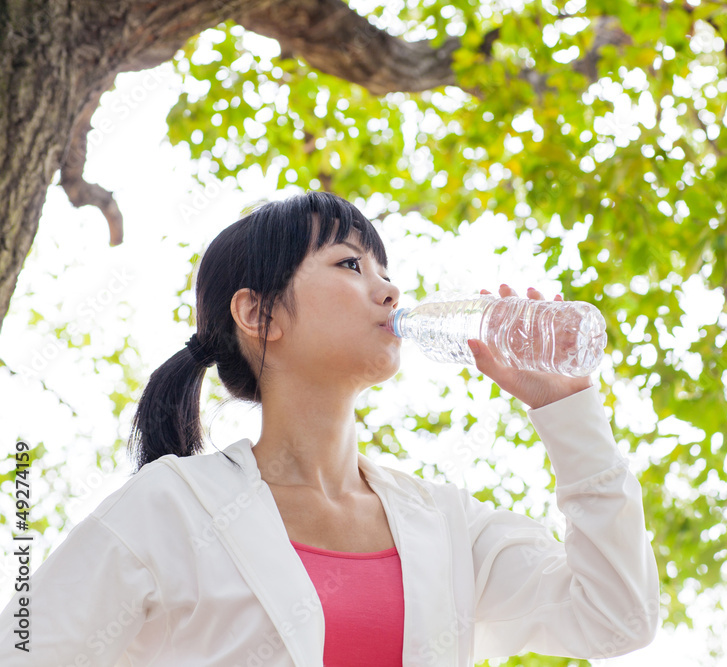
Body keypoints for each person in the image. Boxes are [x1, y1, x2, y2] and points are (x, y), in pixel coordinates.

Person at [0, 191, 660, 666]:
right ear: (259, 314)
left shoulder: (448, 525)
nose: (389, 291)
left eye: (386, 271)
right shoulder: (170, 507)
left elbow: (616, 615)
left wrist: (568, 410)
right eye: (350, 265)